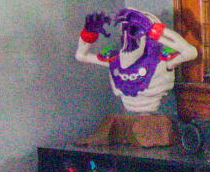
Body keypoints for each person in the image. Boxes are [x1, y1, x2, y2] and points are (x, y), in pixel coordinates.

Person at [77, 8, 197, 146]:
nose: (130, 37)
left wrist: (156, 31)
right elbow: (81, 56)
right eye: (127, 31)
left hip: (152, 110)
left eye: (136, 31)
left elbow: (190, 52)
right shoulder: (114, 60)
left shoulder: (160, 61)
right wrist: (89, 34)